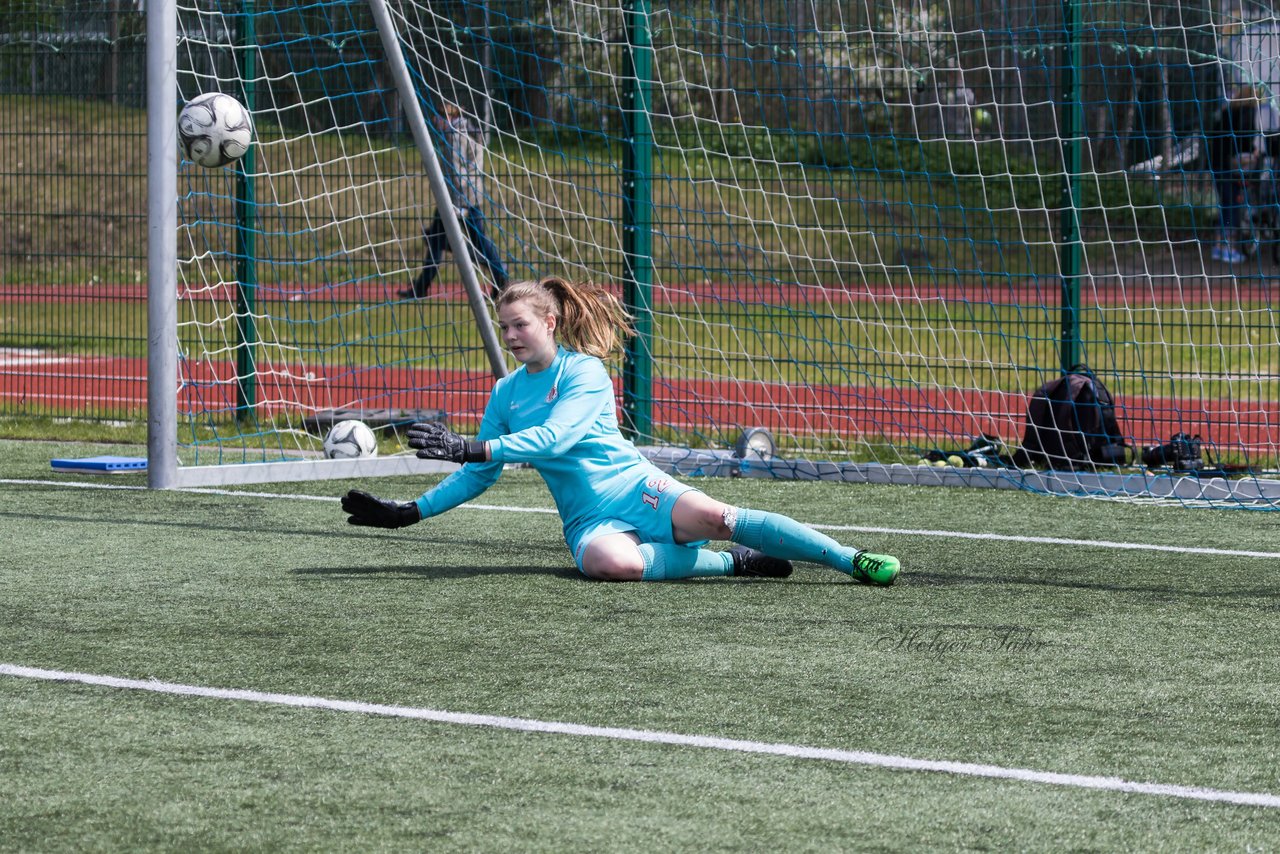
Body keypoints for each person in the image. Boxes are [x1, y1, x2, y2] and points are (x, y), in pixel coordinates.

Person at [343, 277, 901, 585]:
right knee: (611, 565)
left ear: (550, 323)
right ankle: (732, 562)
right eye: (504, 326)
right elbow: (480, 474)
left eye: (521, 324)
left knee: (717, 518)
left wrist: (471, 444)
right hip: (588, 517)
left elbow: (555, 439)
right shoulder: (506, 393)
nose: (511, 335)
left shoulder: (584, 372)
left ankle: (850, 559)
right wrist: (410, 512)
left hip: (637, 486)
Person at [399, 102, 509, 299]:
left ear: (447, 117)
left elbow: (458, 173)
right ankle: (421, 287)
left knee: (477, 244)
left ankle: (501, 278)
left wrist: (458, 205)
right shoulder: (467, 130)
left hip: (458, 201)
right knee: (438, 242)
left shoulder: (455, 137)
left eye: (437, 117)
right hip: (464, 198)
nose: (434, 121)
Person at [1205, 86, 1263, 264]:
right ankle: (1228, 247)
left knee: (1226, 205)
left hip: (1218, 165)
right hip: (1231, 166)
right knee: (1233, 206)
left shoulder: (1226, 112)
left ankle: (1219, 246)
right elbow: (1243, 140)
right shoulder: (1245, 113)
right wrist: (1252, 153)